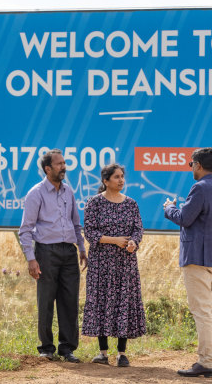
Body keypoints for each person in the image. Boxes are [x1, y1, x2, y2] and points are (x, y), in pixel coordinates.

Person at [163, 147, 212, 378]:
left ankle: (206, 362)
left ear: (198, 164)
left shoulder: (199, 188)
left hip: (197, 258)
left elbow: (184, 218)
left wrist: (169, 208)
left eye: (191, 165)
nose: (191, 169)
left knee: (202, 312)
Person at [19, 149, 87, 363]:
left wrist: (82, 249)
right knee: (46, 300)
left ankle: (67, 349)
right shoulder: (36, 193)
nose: (63, 167)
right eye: (59, 164)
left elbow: (76, 223)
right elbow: (26, 229)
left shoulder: (68, 191)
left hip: (69, 252)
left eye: (64, 163)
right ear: (48, 169)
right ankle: (46, 348)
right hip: (46, 252)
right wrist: (31, 258)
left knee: (69, 301)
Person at [82, 163, 146, 367]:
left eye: (122, 176)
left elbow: (138, 229)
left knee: (123, 302)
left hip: (125, 264)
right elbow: (90, 232)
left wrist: (133, 242)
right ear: (105, 181)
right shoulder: (94, 203)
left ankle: (121, 353)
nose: (121, 180)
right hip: (101, 263)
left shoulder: (131, 204)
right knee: (102, 302)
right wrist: (114, 240)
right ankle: (102, 352)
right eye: (116, 177)